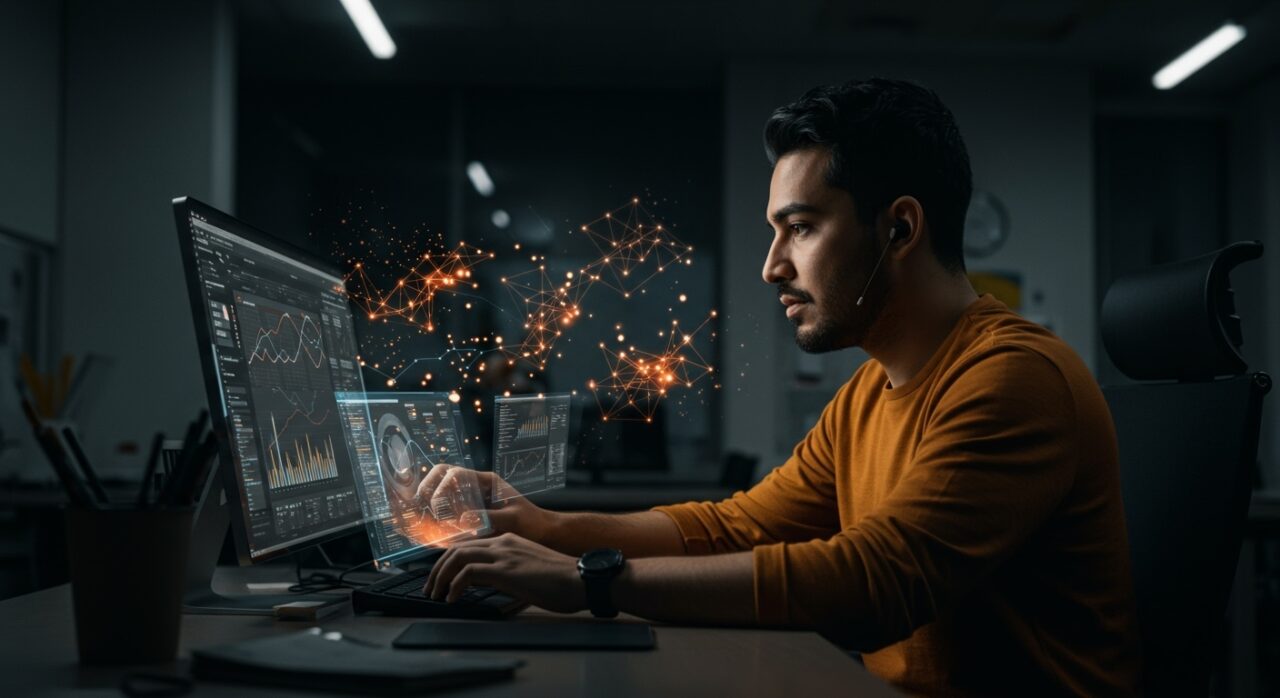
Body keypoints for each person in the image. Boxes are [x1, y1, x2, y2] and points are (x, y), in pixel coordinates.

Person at [416, 78, 1141, 695]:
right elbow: (736, 527)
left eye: (799, 228)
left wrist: (591, 580)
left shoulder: (1014, 378)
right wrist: (541, 528)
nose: (772, 266)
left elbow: (875, 584)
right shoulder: (866, 395)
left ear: (899, 228)